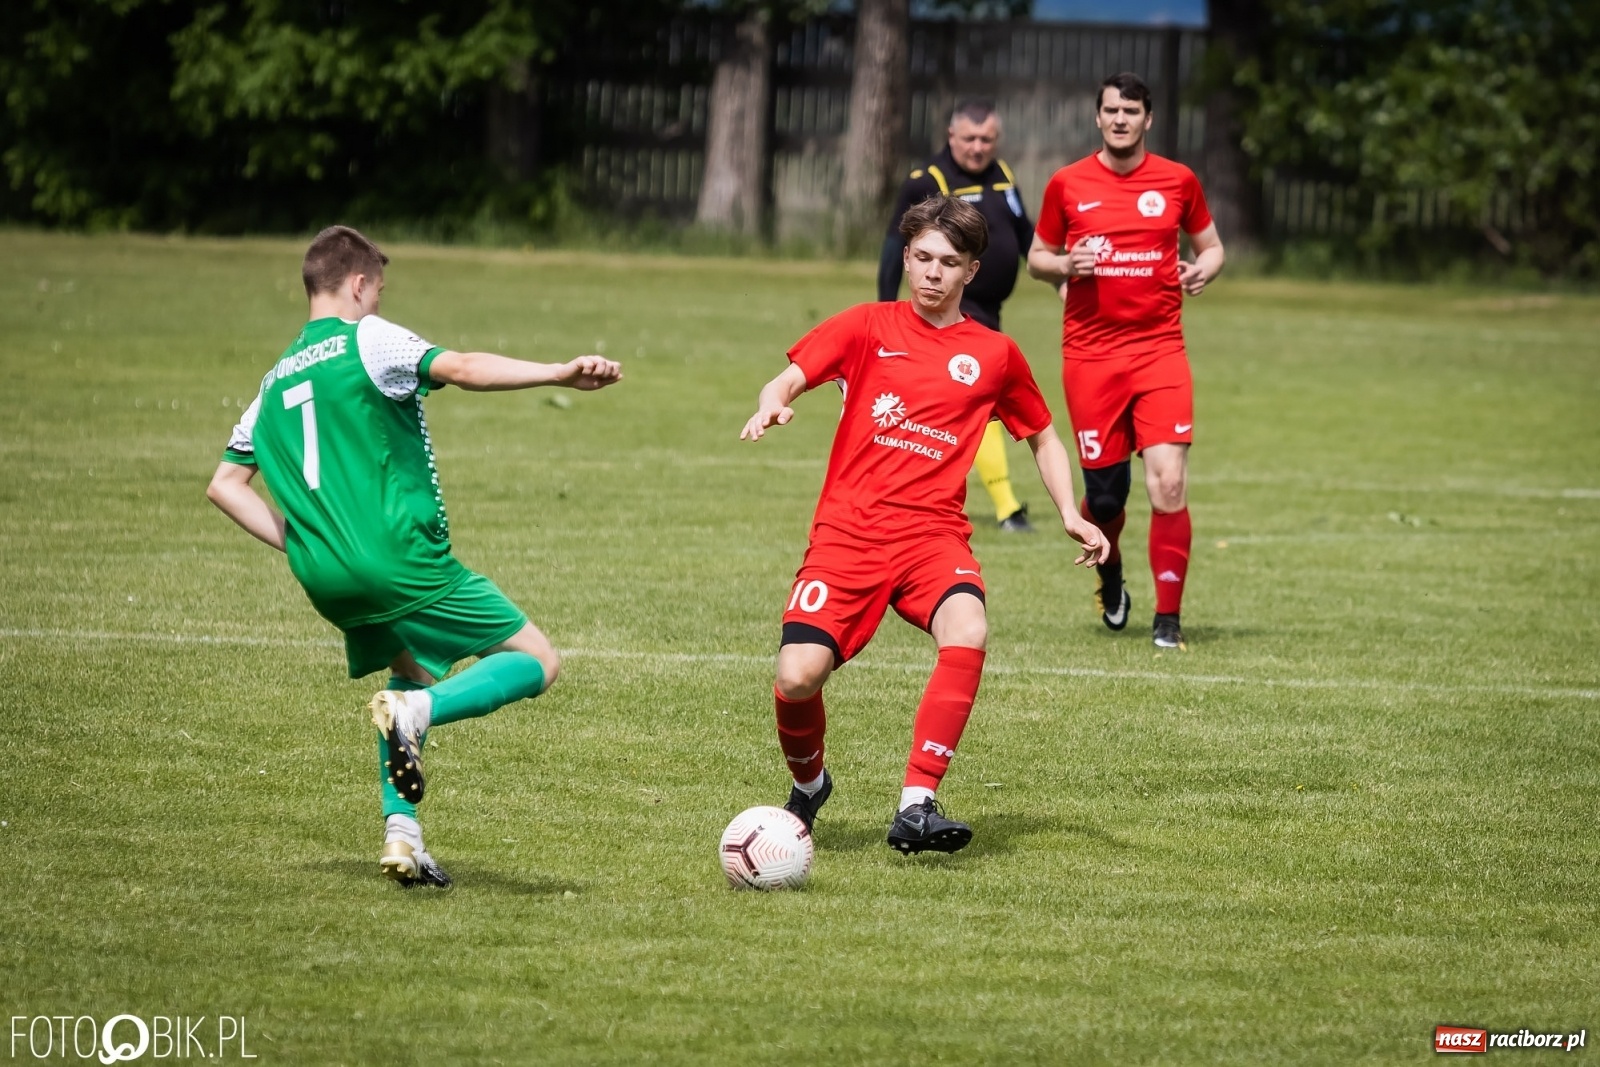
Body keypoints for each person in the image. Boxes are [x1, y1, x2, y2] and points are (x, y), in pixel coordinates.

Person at [206, 225, 622, 888]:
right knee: (535, 660)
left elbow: (224, 484)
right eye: (377, 292)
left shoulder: (271, 382)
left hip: (324, 577)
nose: (376, 303)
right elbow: (460, 366)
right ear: (359, 284)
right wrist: (557, 373)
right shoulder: (365, 337)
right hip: (396, 559)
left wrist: (306, 540)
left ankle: (403, 834)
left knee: (412, 668)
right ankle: (415, 716)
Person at [743, 196, 1108, 854]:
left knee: (968, 626)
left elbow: (1044, 436)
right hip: (848, 535)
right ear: (905, 258)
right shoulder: (865, 326)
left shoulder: (993, 354)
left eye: (948, 263)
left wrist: (1070, 513)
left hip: (933, 537)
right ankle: (811, 783)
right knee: (797, 676)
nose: (932, 273)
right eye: (920, 259)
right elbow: (787, 379)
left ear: (972, 271)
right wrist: (773, 405)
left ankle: (917, 802)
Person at [1026, 72, 1226, 650]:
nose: (1120, 119)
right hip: (1091, 358)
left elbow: (1212, 247)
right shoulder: (1067, 184)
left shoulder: (1178, 181)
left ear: (1148, 119)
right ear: (1097, 117)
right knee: (1108, 498)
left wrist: (1201, 270)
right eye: (1110, 110)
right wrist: (1066, 266)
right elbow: (1037, 258)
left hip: (1161, 352)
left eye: (1131, 111)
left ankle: (1168, 622)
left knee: (1168, 481)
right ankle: (1110, 574)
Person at [879, 99, 1037, 534]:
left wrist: (1059, 279)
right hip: (951, 308)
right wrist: (884, 307)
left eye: (987, 139)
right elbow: (897, 249)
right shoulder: (927, 180)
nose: (978, 147)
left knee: (973, 403)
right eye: (969, 138)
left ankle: (922, 495)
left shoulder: (1002, 175)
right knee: (976, 401)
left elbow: (1026, 236)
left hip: (989, 308)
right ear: (951, 136)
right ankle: (1006, 508)